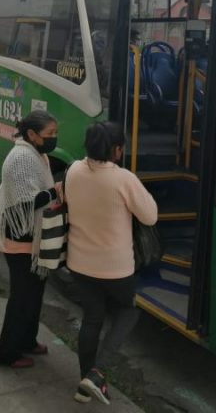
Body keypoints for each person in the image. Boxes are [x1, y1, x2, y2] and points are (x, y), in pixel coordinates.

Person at [65, 121, 157, 405]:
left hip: (79, 263)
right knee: (129, 312)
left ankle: (86, 385)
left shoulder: (73, 170)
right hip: (115, 269)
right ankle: (97, 372)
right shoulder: (124, 179)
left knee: (92, 318)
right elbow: (150, 216)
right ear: (117, 150)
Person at [0, 110, 64, 369]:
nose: (54, 138)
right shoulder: (21, 158)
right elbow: (27, 202)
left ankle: (27, 340)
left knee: (34, 292)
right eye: (49, 134)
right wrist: (56, 191)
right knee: (22, 296)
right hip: (19, 237)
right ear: (32, 134)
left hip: (30, 237)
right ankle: (5, 353)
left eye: (55, 133)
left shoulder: (35, 152)